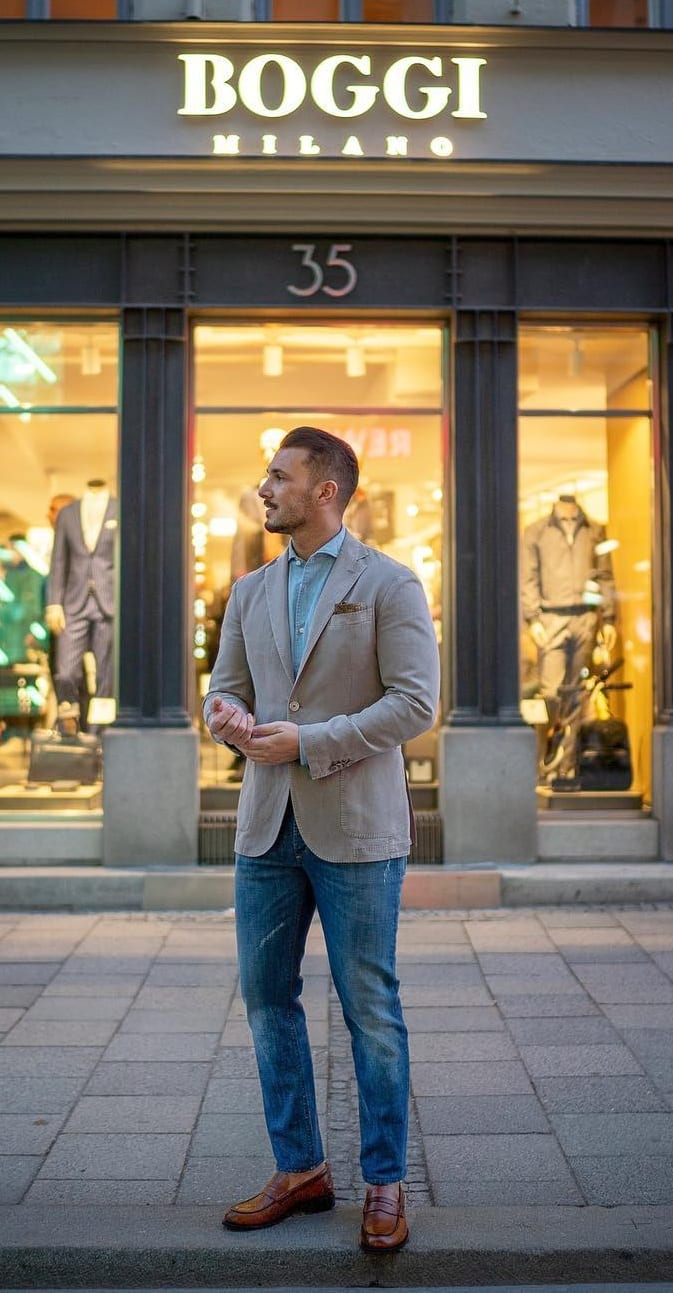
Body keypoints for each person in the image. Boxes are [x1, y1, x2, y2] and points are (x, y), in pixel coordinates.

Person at [203, 426, 440, 1253]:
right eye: (266, 475)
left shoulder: (389, 583)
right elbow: (222, 690)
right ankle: (300, 1169)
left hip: (356, 829)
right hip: (266, 824)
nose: (263, 488)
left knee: (370, 1007)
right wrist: (227, 719)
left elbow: (415, 704)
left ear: (325, 490)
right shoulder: (249, 590)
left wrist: (309, 740)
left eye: (278, 476)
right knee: (268, 1000)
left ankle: (384, 1180)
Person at [521, 493, 617, 781]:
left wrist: (609, 617)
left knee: (576, 693)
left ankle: (567, 765)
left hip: (585, 616)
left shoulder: (595, 529)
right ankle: (546, 758)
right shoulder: (537, 531)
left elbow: (605, 576)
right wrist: (533, 617)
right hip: (552, 616)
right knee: (551, 692)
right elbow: (528, 577)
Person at [45, 479, 116, 713]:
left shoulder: (119, 509)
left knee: (107, 672)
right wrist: (54, 602)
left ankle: (101, 730)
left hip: (109, 602)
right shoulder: (68, 514)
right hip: (73, 602)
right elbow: (59, 560)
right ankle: (69, 714)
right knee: (65, 670)